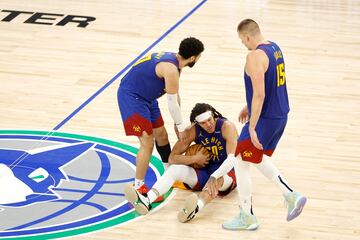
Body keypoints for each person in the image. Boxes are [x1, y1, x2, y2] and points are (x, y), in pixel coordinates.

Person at [205, 19, 307, 230]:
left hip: (264, 119)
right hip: (280, 115)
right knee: (248, 159)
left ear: (247, 37)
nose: (244, 45)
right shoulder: (275, 49)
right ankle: (282, 198)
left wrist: (252, 126)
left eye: (243, 41)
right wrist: (248, 106)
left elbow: (260, 93)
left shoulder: (253, 56)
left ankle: (253, 213)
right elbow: (270, 85)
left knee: (241, 158)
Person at [117, 37, 204, 198]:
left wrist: (178, 123)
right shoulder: (171, 69)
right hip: (132, 97)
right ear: (193, 57)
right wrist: (180, 126)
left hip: (147, 98)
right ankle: (138, 187)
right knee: (147, 143)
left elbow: (175, 95)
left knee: (162, 136)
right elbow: (171, 103)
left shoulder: (176, 64)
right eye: (199, 56)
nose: (198, 59)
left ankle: (169, 173)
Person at [123, 103, 238, 222]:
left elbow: (232, 159)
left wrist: (214, 176)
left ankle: (195, 208)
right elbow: (172, 158)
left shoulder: (226, 127)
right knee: (174, 169)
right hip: (204, 172)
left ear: (213, 115)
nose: (208, 124)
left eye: (209, 120)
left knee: (217, 180)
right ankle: (147, 200)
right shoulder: (193, 130)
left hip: (227, 174)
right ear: (197, 123)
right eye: (203, 123)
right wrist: (194, 159)